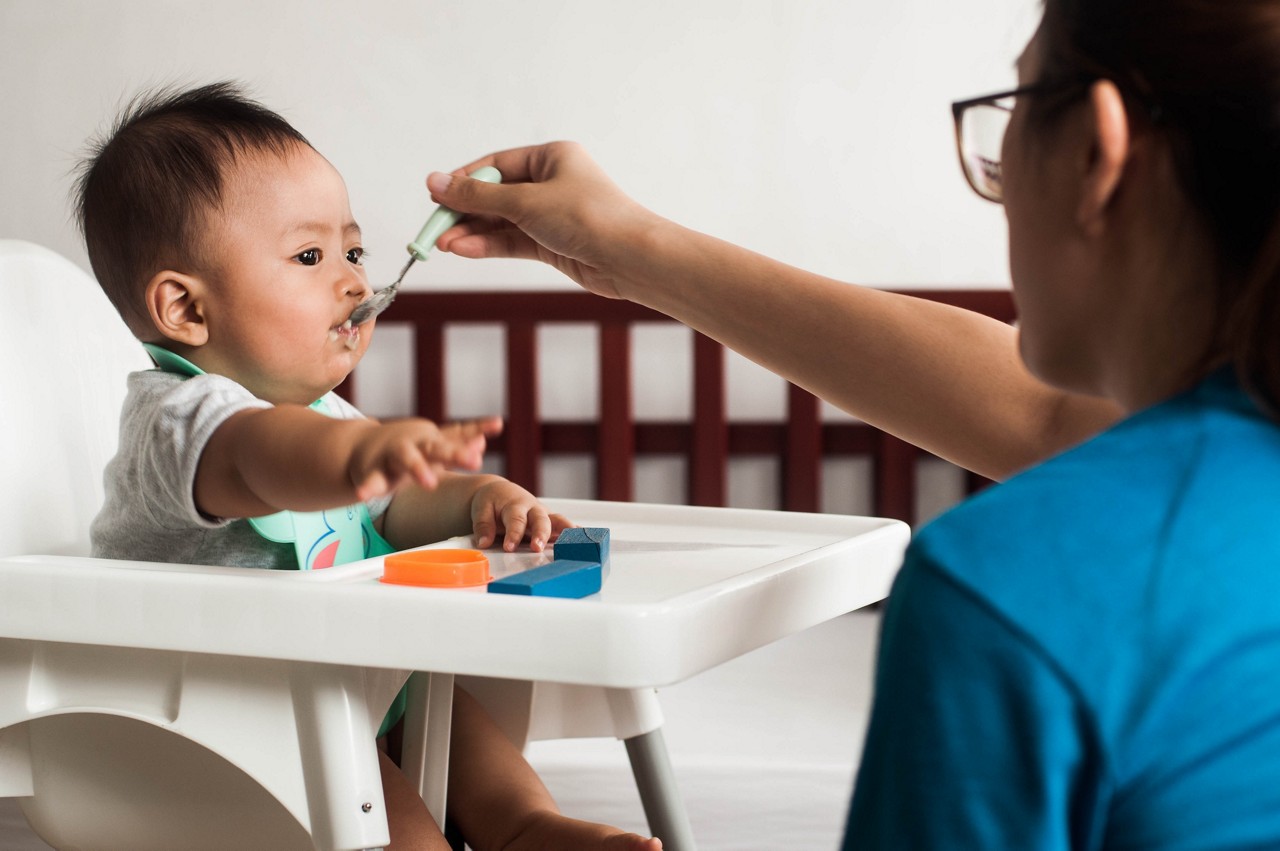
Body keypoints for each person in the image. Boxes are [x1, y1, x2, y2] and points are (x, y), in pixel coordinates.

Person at [420, 0, 1280, 845]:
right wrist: (629, 248)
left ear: (1096, 151)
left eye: (1009, 118)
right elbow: (1044, 415)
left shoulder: (1008, 593)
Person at [74, 82, 660, 851]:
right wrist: (368, 455)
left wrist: (473, 497)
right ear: (186, 310)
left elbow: (384, 512)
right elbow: (260, 460)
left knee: (444, 708)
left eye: (355, 251)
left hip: (335, 680)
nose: (354, 280)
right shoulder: (178, 419)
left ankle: (525, 825)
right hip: (210, 718)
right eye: (311, 255)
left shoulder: (325, 421)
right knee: (379, 790)